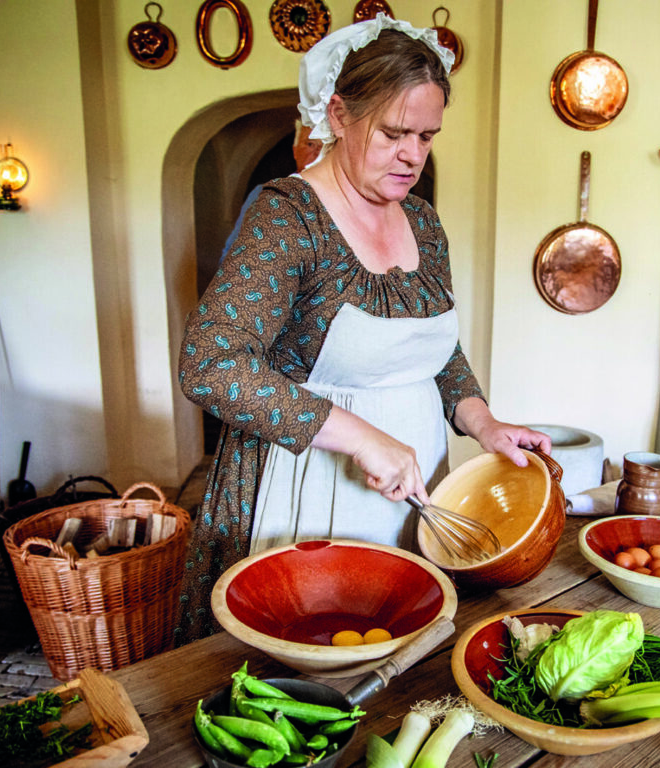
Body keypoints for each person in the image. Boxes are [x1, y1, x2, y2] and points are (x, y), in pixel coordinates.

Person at [176, 14, 551, 643]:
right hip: (308, 485)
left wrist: (484, 423)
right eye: (394, 133)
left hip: (416, 480)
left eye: (427, 136)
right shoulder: (288, 218)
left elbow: (434, 344)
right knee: (316, 651)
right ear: (339, 114)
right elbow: (210, 365)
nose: (412, 155)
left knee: (402, 646)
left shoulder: (424, 224)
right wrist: (358, 437)